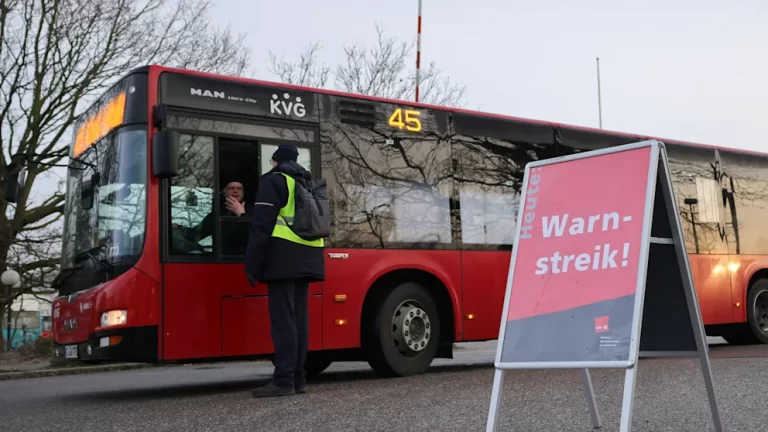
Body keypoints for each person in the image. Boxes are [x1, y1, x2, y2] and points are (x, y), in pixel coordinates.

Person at [244, 144, 325, 398]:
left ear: (276, 162)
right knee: (299, 320)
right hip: (310, 257)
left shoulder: (275, 181)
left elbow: (261, 224)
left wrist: (252, 264)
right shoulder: (308, 183)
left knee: (283, 322)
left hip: (283, 258)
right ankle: (298, 378)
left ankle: (283, 380)